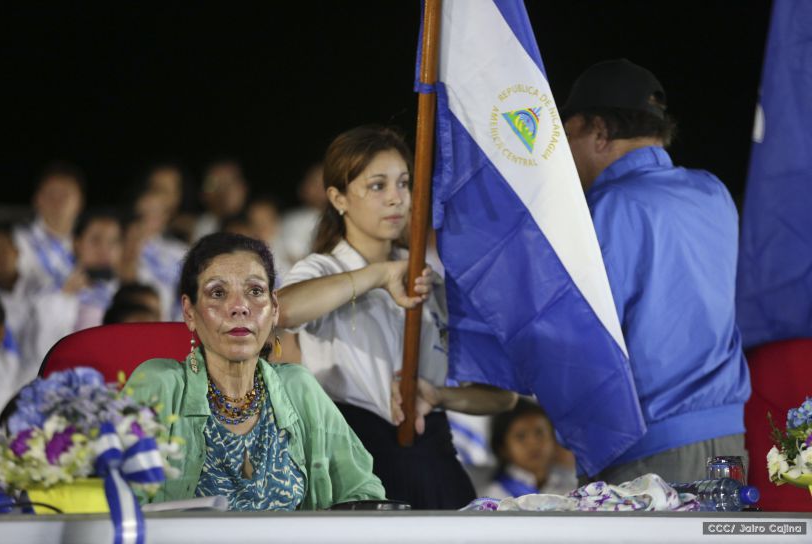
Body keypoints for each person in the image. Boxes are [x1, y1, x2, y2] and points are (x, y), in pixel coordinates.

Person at [277, 125, 517, 509]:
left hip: (434, 458)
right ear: (338, 198)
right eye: (377, 186)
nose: (396, 199)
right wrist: (378, 276)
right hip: (354, 463)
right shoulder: (322, 269)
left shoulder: (431, 280)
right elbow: (282, 309)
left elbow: (502, 397)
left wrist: (437, 394)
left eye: (404, 184)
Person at [561, 59, 751, 484]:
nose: (563, 154)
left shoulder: (604, 210)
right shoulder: (713, 192)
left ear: (598, 130)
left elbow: (581, 337)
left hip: (648, 455)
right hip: (729, 445)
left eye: (567, 135)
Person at [124, 232, 385, 511]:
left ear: (274, 309)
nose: (239, 307)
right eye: (218, 293)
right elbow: (116, 500)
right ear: (189, 312)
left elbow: (363, 492)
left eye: (255, 291)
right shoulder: (159, 386)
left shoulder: (299, 388)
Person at [24, 211, 123, 368]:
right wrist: (64, 298)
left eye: (113, 241)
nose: (105, 249)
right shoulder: (49, 293)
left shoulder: (123, 295)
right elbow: (42, 352)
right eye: (96, 240)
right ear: (76, 243)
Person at [12, 162, 85, 298]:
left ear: (80, 201)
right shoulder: (17, 240)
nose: (57, 202)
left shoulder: (91, 240)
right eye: (50, 193)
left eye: (65, 194)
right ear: (36, 199)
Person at [483, 398, 577, 499]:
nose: (533, 444)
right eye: (521, 436)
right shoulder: (496, 496)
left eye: (540, 433)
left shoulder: (571, 487)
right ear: (503, 448)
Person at [119, 190, 188, 320]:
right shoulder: (121, 245)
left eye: (154, 211)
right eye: (142, 213)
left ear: (165, 216)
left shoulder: (180, 252)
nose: (147, 218)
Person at [192, 159, 248, 242]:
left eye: (231, 182)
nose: (226, 191)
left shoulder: (264, 223)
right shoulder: (201, 226)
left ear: (244, 187)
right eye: (218, 185)